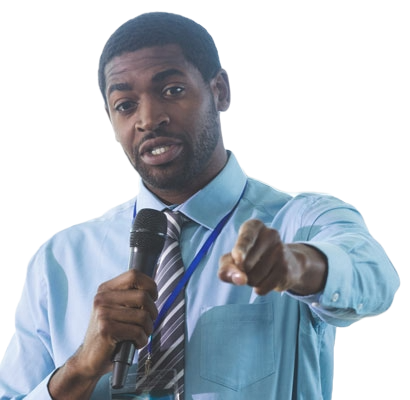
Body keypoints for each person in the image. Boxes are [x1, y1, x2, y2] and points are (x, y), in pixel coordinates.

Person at [0, 10, 401, 400]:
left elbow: (376, 277)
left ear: (220, 90)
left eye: (172, 90)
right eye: (126, 105)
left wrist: (296, 265)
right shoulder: (59, 260)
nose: (149, 119)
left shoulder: (299, 220)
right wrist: (79, 370)